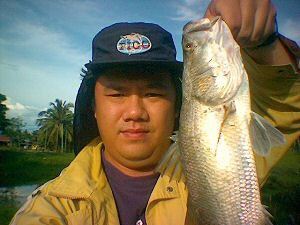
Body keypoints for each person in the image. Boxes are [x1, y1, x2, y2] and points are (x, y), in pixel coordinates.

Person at [10, 0, 300, 224]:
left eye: (153, 93)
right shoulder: (51, 209)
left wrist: (264, 46)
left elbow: (284, 107)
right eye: (116, 94)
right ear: (93, 108)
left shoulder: (221, 153)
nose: (135, 111)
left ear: (177, 104)